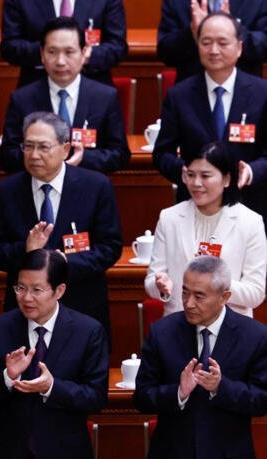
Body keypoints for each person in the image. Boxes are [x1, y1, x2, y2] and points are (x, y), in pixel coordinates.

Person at [0, 250, 107, 459]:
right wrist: (7, 378)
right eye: (20, 288)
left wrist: (52, 387)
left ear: (59, 290)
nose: (26, 298)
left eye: (37, 290)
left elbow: (96, 397)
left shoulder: (88, 331)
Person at [0, 111, 123, 338]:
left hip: (83, 306)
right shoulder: (4, 192)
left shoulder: (96, 187)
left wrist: (65, 263)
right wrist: (26, 250)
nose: (34, 155)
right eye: (28, 146)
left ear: (65, 149)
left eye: (43, 147)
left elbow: (110, 248)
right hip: (25, 314)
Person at [135, 255, 267, 459]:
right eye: (185, 292)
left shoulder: (254, 336)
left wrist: (220, 387)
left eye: (199, 296)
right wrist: (178, 393)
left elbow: (261, 400)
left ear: (225, 297)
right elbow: (142, 397)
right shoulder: (162, 332)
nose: (188, 303)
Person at [153, 12, 267, 219]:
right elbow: (162, 154)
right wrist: (189, 173)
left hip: (251, 206)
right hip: (194, 207)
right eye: (206, 42)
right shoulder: (179, 95)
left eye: (223, 43)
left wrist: (251, 171)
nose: (214, 50)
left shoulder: (262, 93)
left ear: (239, 47)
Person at [146, 141, 266, 317]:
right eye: (191, 175)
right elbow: (151, 281)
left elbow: (255, 294)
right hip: (180, 323)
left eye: (205, 176)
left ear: (226, 179)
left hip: (230, 327)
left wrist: (216, 282)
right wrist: (160, 286)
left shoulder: (250, 222)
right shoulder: (169, 218)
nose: (196, 183)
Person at [0, 17, 130, 175]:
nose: (60, 61)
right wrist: (42, 157)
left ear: (83, 53)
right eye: (52, 52)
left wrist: (83, 158)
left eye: (69, 52)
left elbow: (120, 154)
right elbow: (7, 156)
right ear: (42, 54)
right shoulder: (22, 98)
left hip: (87, 185)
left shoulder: (105, 96)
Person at [0, 0, 128, 87]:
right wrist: (48, 52)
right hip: (36, 90)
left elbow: (118, 46)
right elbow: (9, 47)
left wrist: (87, 55)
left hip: (93, 91)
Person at [158, 0, 267, 82]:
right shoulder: (176, 2)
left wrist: (232, 30)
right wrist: (191, 32)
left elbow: (264, 45)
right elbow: (165, 53)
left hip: (247, 94)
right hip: (192, 96)